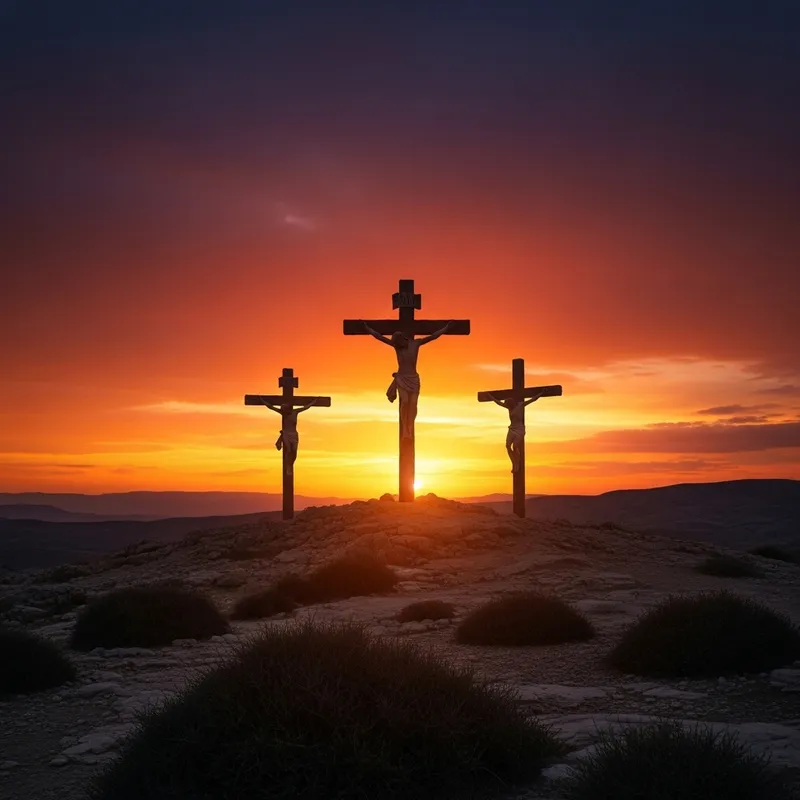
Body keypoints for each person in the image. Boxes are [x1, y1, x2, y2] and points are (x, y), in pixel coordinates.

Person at [361, 320, 453, 438]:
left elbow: (433, 337)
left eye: (398, 342)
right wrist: (367, 329)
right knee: (404, 402)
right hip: (402, 378)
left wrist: (445, 328)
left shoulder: (416, 344)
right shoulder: (397, 347)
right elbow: (380, 337)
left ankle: (410, 426)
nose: (398, 345)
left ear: (403, 338)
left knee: (413, 403)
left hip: (413, 379)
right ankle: (405, 428)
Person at [486, 391, 545, 473]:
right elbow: (498, 402)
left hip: (520, 428)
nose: (508, 406)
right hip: (512, 428)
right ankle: (514, 462)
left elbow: (532, 400)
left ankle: (517, 464)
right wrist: (490, 396)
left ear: (512, 402)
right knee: (507, 446)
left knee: (515, 446)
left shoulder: (520, 405)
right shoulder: (509, 407)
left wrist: (540, 393)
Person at [259, 397, 320, 476]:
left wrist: (313, 402)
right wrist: (262, 401)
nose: (283, 409)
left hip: (294, 434)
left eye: (284, 407)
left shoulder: (295, 412)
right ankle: (288, 467)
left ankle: (290, 465)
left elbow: (306, 407)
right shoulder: (283, 413)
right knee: (288, 451)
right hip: (286, 434)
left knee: (294, 452)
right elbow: (271, 407)